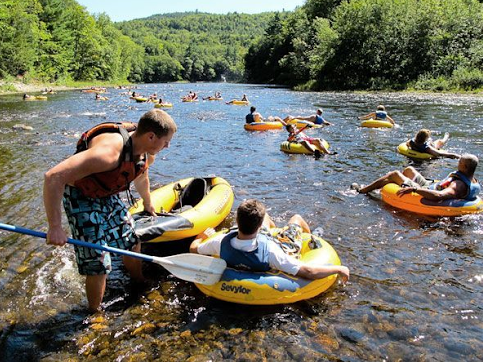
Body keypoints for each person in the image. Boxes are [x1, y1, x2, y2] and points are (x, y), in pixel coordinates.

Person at [43, 109, 177, 312]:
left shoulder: (145, 153)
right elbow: (53, 177)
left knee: (132, 241)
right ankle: (95, 312)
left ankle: (139, 282)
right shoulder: (107, 154)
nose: (167, 146)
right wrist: (55, 227)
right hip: (80, 195)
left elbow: (141, 176)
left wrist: (148, 203)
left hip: (105, 192)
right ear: (151, 136)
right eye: (166, 141)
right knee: (98, 260)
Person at [189, 199, 349, 282]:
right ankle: (308, 237)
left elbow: (193, 249)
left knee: (265, 217)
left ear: (236, 221)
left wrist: (202, 235)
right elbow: (308, 272)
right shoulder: (272, 252)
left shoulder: (220, 242)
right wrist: (338, 269)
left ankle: (273, 229)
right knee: (296, 218)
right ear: (258, 227)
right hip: (278, 246)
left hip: (254, 239)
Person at [351, 154, 480, 202]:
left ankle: (362, 190)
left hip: (424, 189)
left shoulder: (458, 185)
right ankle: (394, 184)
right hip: (430, 184)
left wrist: (414, 190)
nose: (457, 165)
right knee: (409, 170)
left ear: (465, 166)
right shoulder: (472, 179)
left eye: (459, 163)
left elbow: (439, 196)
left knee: (394, 174)